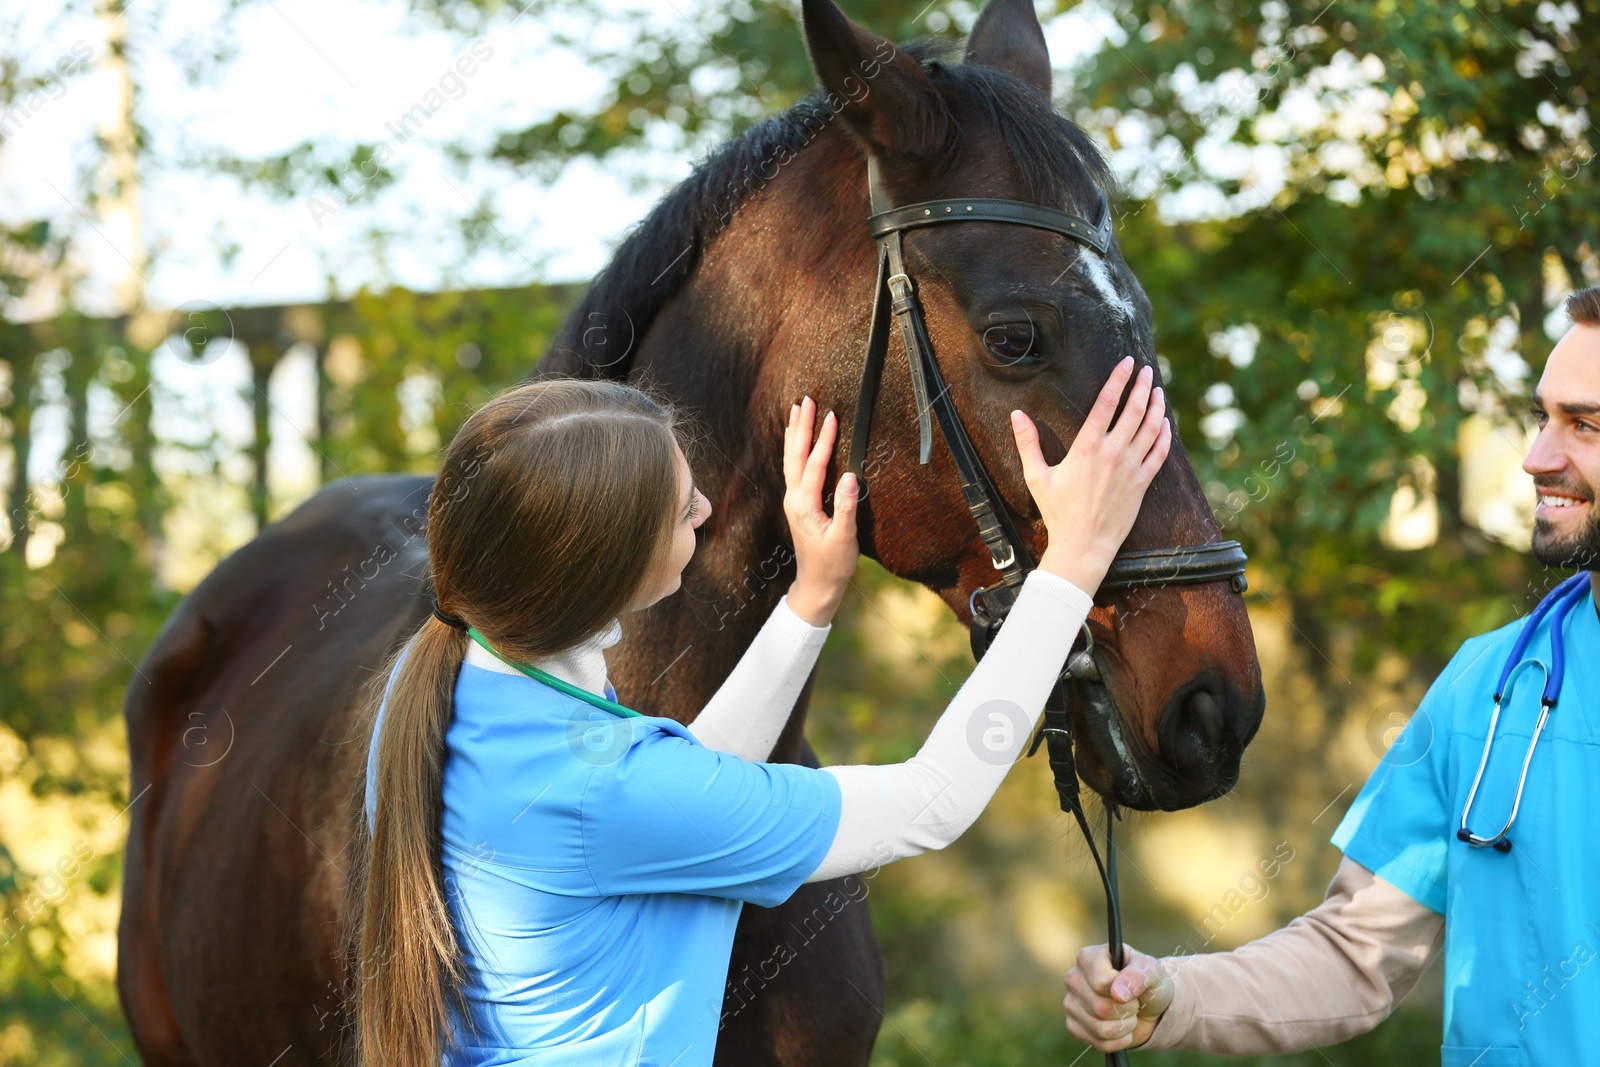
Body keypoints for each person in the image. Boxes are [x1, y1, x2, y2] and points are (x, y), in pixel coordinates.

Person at [354, 356, 1172, 1066]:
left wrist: (810, 600)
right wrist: (1074, 560)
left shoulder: (453, 681)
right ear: (598, 566)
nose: (706, 512)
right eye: (681, 509)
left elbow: (680, 796)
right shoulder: (601, 790)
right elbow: (931, 803)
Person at [1061, 286, 1600, 1066]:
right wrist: (1174, 994)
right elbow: (1355, 957)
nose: (1536, 456)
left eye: (1583, 424)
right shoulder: (1487, 686)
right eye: (1542, 416)